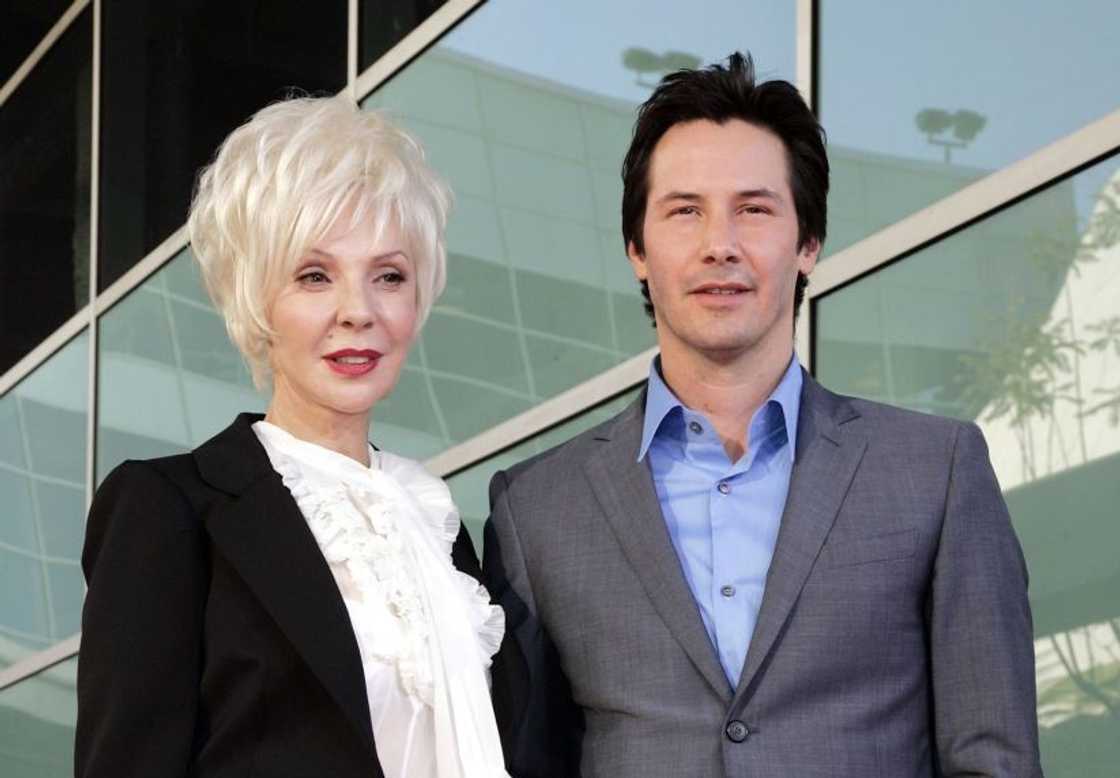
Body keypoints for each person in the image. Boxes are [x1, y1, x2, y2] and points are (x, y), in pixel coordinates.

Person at [484, 53, 1042, 776]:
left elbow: (992, 760)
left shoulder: (935, 471)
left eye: (754, 208)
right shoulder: (536, 510)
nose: (721, 244)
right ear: (637, 251)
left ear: (808, 244)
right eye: (685, 211)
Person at [76, 96, 508, 778]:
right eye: (314, 276)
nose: (358, 312)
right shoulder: (169, 510)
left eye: (388, 276)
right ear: (255, 297)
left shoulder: (431, 520)